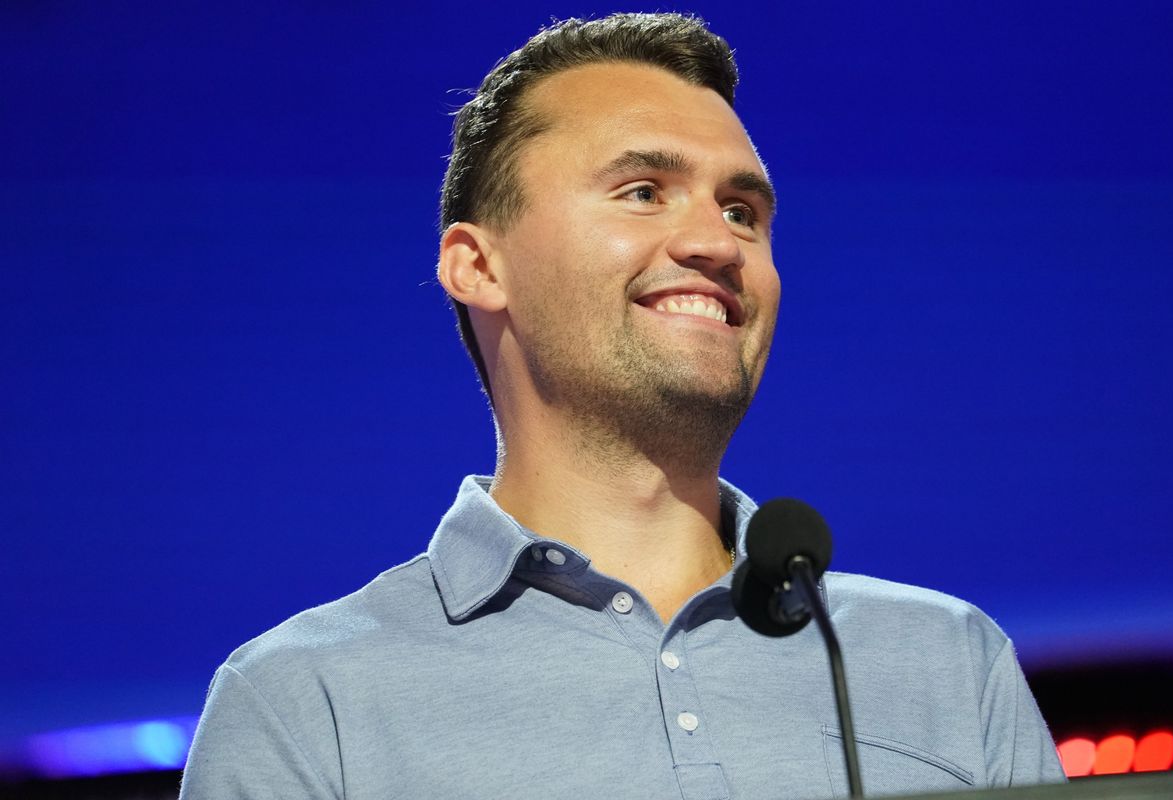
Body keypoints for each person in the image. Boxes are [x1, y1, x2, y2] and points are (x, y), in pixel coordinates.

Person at [180, 13, 1065, 799]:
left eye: (743, 211)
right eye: (643, 191)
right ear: (478, 267)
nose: (717, 242)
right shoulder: (306, 704)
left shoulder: (947, 662)